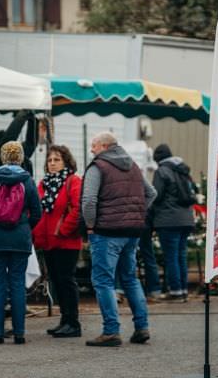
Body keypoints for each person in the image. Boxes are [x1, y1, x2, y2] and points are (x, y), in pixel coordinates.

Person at [80, 132, 156, 347]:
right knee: (129, 278)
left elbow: (88, 200)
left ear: (104, 146)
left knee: (103, 281)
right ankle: (142, 327)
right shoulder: (132, 166)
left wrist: (90, 225)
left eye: (94, 145)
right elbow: (151, 193)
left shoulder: (98, 167)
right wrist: (136, 215)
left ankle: (111, 331)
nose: (91, 150)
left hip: (106, 232)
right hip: (131, 233)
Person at [0, 141, 42, 344]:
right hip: (19, 238)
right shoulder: (27, 180)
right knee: (17, 284)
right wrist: (25, 226)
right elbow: (37, 212)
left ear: (2, 157)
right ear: (21, 157)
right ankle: (19, 333)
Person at [32, 145, 83, 338]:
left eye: (57, 160)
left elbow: (78, 209)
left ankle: (73, 322)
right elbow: (38, 210)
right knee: (56, 281)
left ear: (66, 162)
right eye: (50, 160)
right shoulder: (43, 183)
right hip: (48, 241)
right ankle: (64, 319)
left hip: (66, 240)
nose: (52, 163)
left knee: (66, 280)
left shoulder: (73, 181)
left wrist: (63, 230)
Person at [149, 144, 195, 302]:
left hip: (169, 220)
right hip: (187, 219)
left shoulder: (162, 171)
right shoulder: (183, 170)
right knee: (181, 255)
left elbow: (156, 195)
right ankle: (183, 290)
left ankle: (175, 291)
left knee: (171, 257)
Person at [0, 110, 38, 175]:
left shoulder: (19, 153)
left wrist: (32, 120)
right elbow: (10, 136)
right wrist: (24, 115)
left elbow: (30, 143)